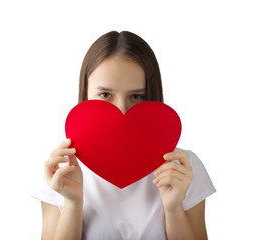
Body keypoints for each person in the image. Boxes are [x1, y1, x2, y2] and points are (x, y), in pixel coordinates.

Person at [31, 31, 216, 240]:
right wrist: (73, 203)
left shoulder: (183, 167)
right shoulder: (59, 169)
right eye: (105, 95)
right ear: (85, 95)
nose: (121, 110)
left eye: (136, 96)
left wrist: (174, 210)